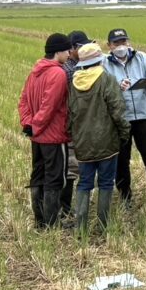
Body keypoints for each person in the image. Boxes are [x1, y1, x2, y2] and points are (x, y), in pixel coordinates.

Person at [102, 27, 146, 212]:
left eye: (124, 42)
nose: (121, 46)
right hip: (120, 119)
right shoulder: (104, 64)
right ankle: (125, 197)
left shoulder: (141, 58)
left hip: (142, 115)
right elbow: (103, 89)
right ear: (109, 46)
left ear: (129, 42)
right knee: (122, 160)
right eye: (116, 43)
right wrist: (117, 87)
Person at [67, 41, 130, 232]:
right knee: (105, 183)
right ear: (99, 61)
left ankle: (80, 227)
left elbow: (71, 113)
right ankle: (103, 226)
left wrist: (74, 136)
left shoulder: (74, 82)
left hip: (83, 143)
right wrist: (125, 132)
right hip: (107, 142)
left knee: (84, 183)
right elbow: (117, 110)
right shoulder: (106, 79)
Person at [17, 32, 72, 229]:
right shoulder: (58, 73)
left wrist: (28, 124)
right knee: (55, 179)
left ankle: (40, 220)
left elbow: (22, 101)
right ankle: (52, 222)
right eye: (67, 50)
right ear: (58, 52)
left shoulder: (34, 72)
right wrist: (36, 125)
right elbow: (49, 106)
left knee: (38, 176)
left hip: (36, 138)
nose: (69, 54)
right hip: (54, 137)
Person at [59, 30, 92, 220]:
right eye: (81, 47)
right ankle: (65, 207)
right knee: (71, 167)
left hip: (77, 124)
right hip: (72, 124)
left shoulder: (76, 66)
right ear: (72, 49)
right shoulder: (70, 70)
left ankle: (68, 205)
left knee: (74, 166)